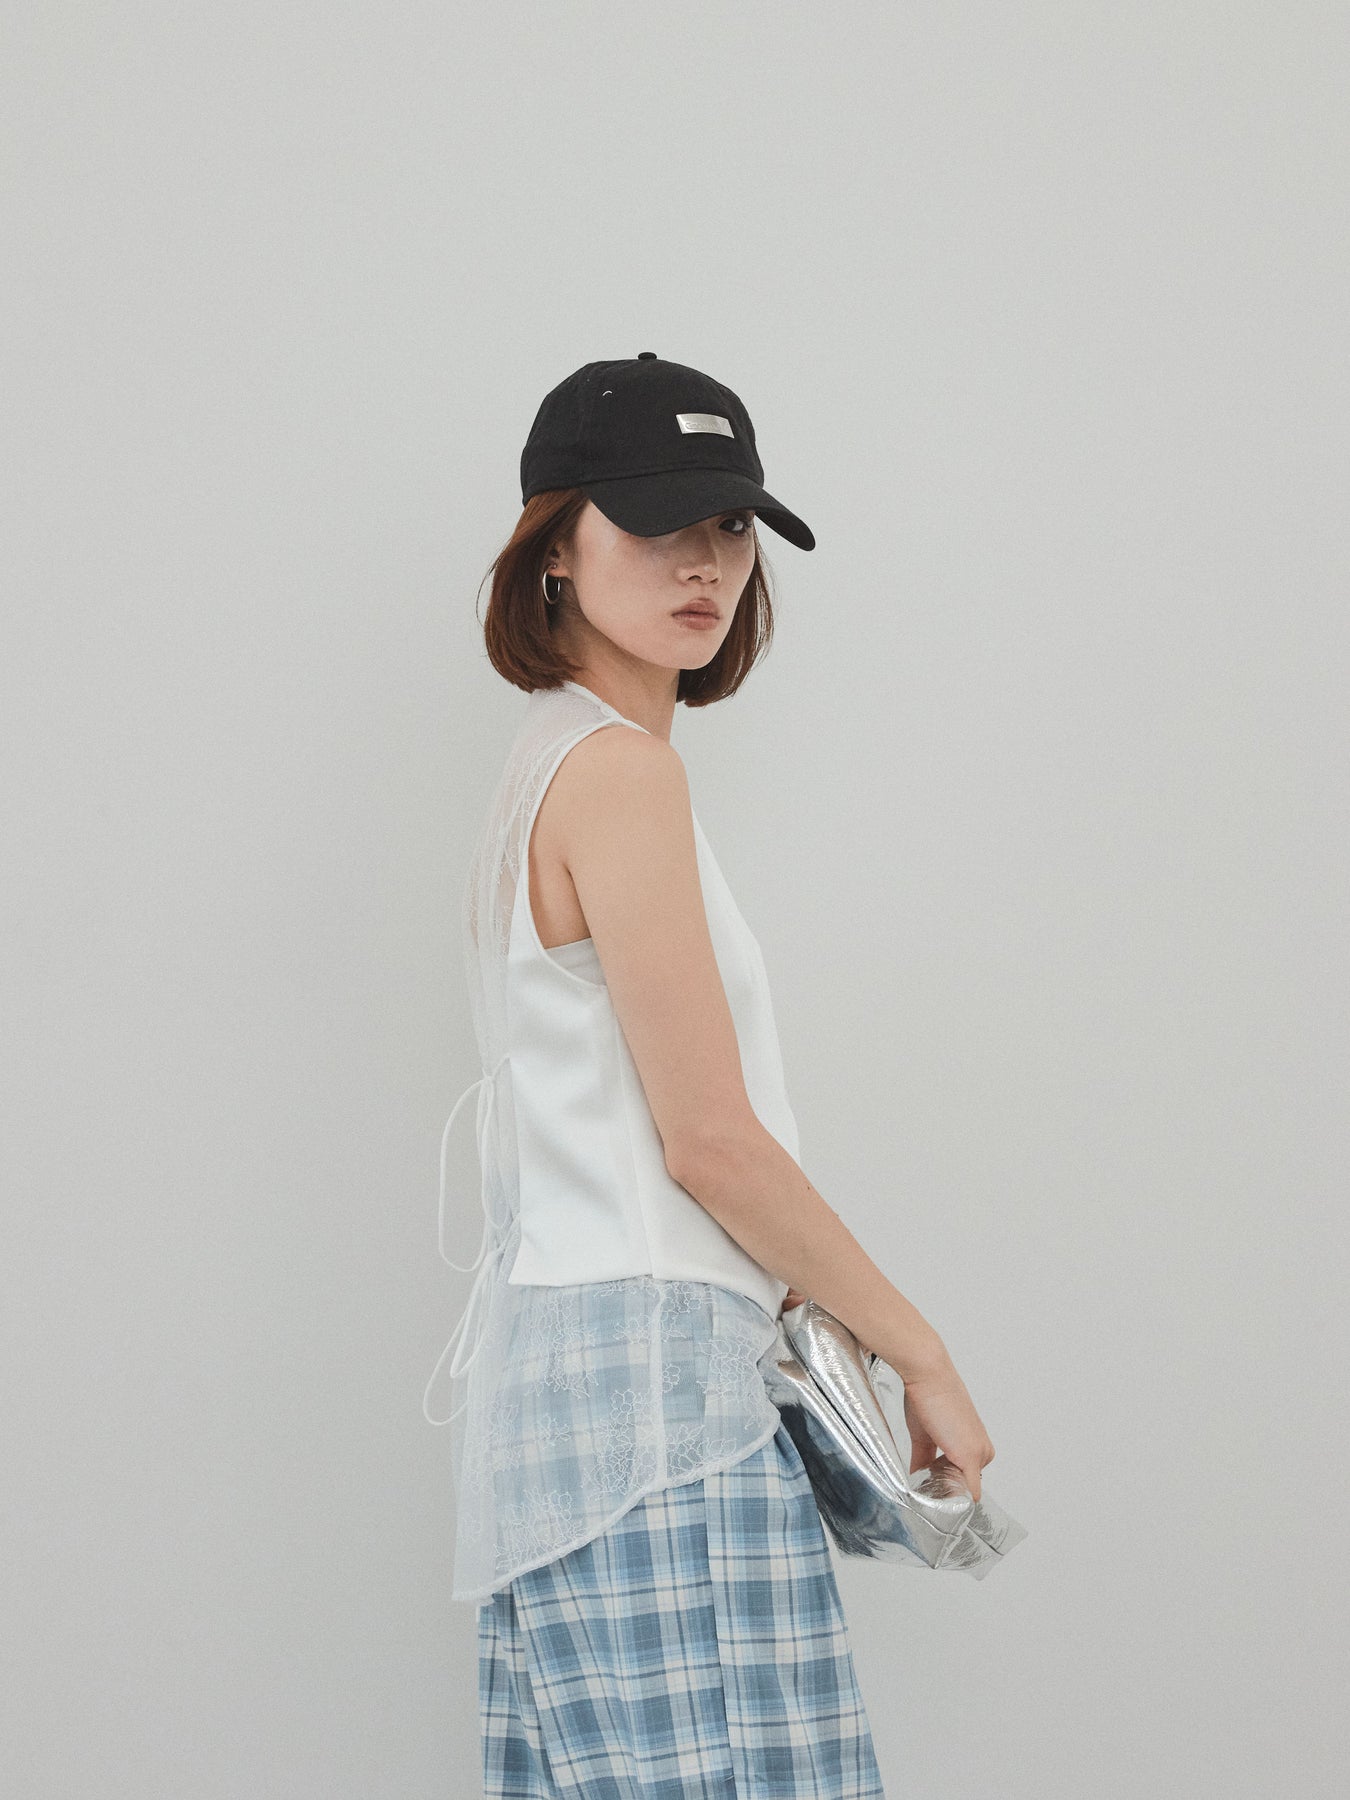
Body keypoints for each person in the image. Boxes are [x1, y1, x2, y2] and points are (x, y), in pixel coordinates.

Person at [424, 351, 996, 1798]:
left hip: (573, 1403)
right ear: (553, 550)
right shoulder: (620, 775)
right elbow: (711, 1144)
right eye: (654, 520)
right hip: (657, 1402)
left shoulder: (546, 764)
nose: (704, 562)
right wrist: (918, 1352)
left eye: (731, 524)